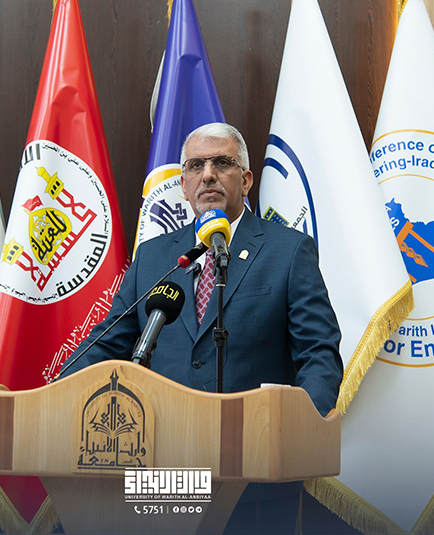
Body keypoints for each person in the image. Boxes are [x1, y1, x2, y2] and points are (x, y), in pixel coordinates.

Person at [61, 122, 344, 533]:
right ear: (183, 184)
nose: (207, 174)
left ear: (246, 180)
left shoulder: (287, 250)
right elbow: (107, 344)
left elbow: (318, 353)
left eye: (222, 163)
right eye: (196, 166)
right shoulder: (155, 257)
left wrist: (300, 432)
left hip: (255, 477)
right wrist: (58, 395)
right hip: (163, 470)